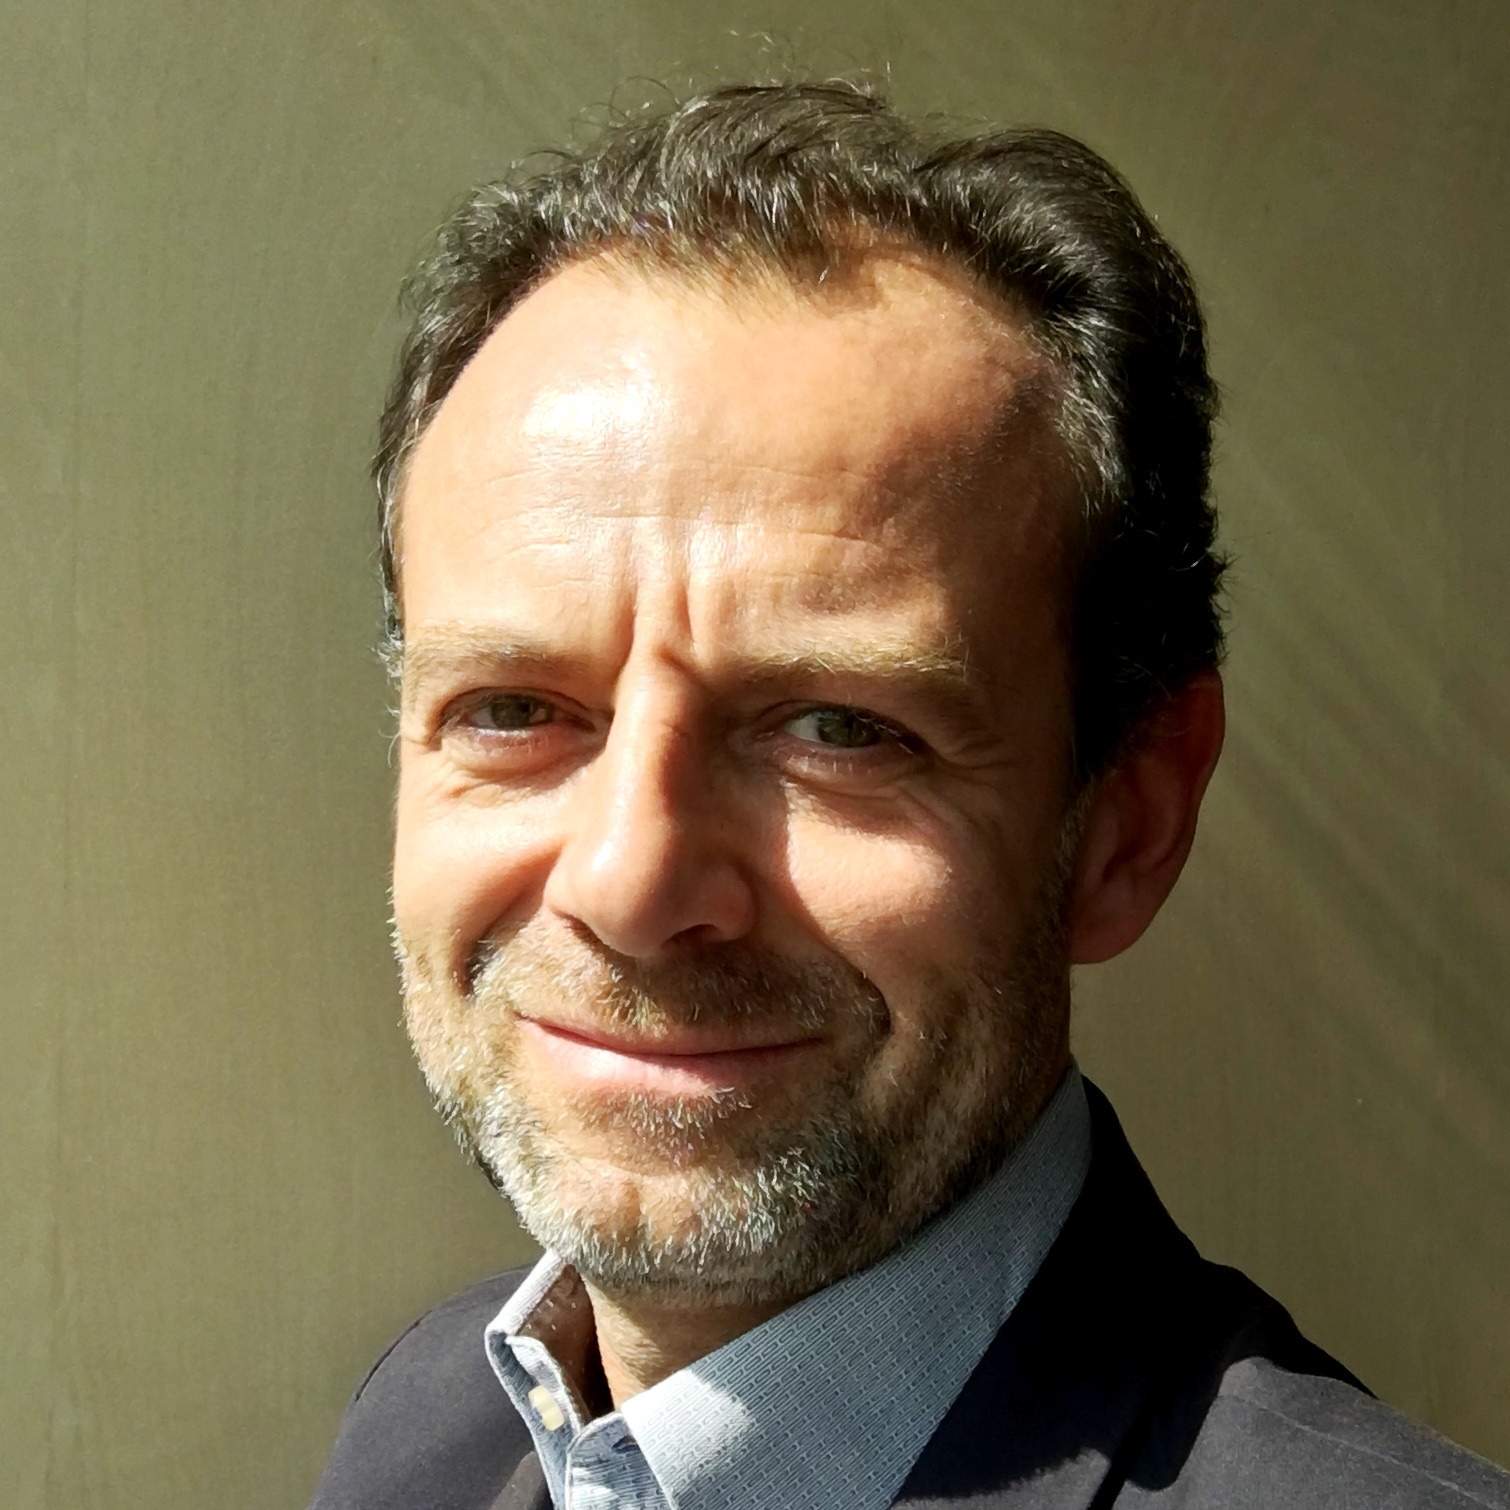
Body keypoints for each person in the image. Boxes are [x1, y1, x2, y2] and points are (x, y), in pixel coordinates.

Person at [308, 83, 1509, 1510]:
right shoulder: (427, 1429)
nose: (629, 885)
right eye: (513, 710)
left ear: (1127, 824)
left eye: (839, 729)